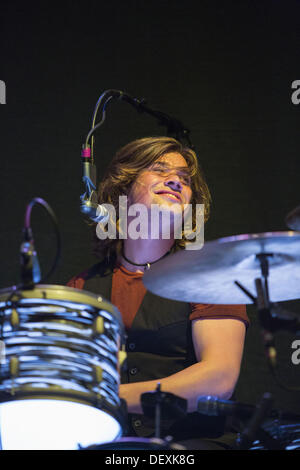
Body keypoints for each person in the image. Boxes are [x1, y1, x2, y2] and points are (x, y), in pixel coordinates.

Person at [68, 136, 249, 450]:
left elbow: (218, 379)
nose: (176, 181)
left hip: (195, 443)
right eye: (160, 171)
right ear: (123, 187)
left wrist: (114, 397)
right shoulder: (81, 288)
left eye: (185, 179)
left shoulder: (210, 276)